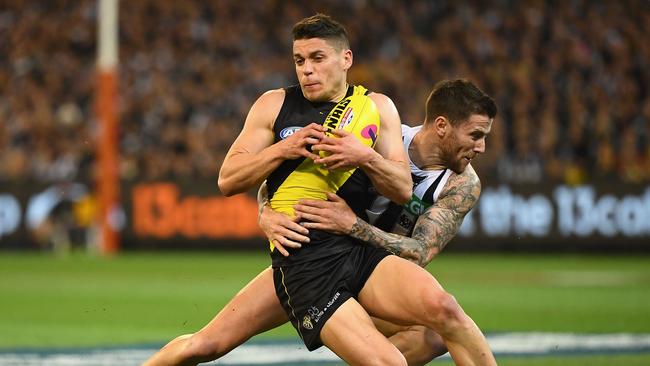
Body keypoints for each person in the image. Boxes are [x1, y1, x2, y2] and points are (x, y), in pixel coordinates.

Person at [145, 13, 495, 366]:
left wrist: (363, 160)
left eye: (317, 58)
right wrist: (272, 190)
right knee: (205, 345)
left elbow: (406, 199)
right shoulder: (275, 104)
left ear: (346, 59)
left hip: (362, 255)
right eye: (299, 60)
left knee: (444, 314)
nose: (306, 70)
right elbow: (230, 179)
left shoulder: (378, 112)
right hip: (307, 259)